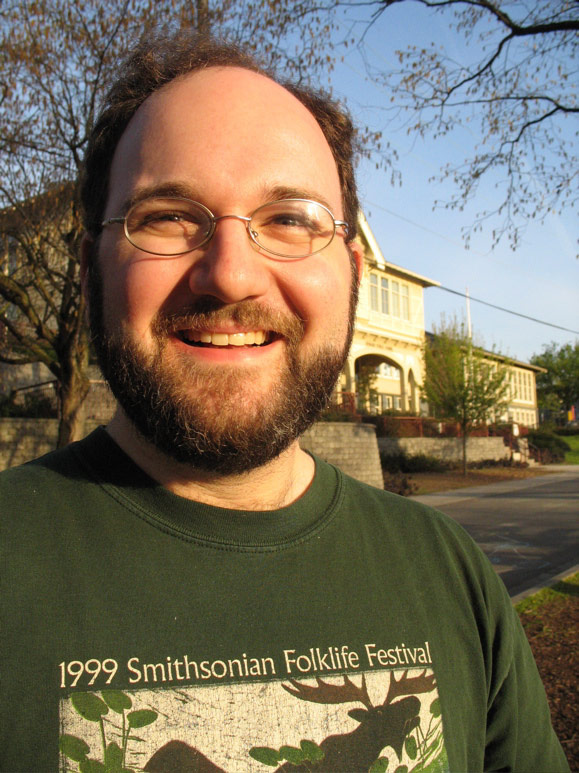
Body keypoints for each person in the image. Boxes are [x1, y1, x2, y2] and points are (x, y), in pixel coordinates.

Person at [0, 33, 569, 773]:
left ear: (352, 271)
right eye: (168, 215)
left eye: (291, 219)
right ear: (90, 267)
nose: (232, 275)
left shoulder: (450, 574)